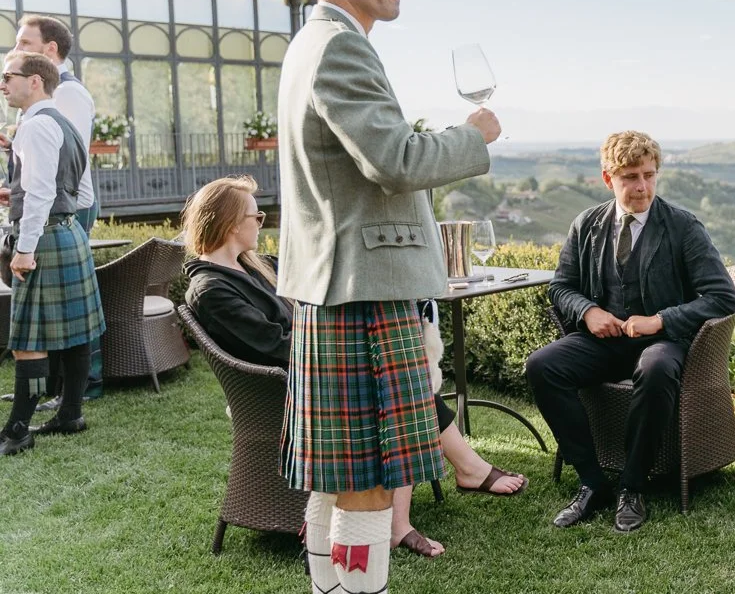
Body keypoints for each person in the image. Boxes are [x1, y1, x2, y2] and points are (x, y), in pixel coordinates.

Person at [277, 0, 501, 594]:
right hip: (363, 293)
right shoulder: (339, 46)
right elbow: (395, 158)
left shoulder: (314, 44)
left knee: (335, 482)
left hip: (332, 287)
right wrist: (470, 137)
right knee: (369, 477)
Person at [182, 176, 526, 559]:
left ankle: (451, 481)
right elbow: (277, 347)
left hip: (308, 372)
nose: (260, 223)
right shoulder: (211, 289)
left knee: (402, 375)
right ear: (232, 223)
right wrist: (345, 352)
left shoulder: (257, 266)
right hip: (286, 392)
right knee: (400, 384)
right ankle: (427, 502)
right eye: (256, 215)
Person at [526, 130, 735, 533]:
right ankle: (592, 481)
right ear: (608, 179)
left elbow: (724, 297)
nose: (642, 187)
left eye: (648, 175)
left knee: (657, 368)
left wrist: (661, 320)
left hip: (662, 342)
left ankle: (632, 486)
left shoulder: (683, 227)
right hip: (601, 342)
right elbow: (561, 286)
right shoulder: (586, 224)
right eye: (630, 177)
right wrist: (587, 311)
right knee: (542, 366)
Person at [0, 52, 104, 455]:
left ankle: (18, 429)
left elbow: (43, 192)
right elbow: (77, 192)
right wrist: (18, 193)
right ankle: (70, 414)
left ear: (36, 82)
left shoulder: (36, 126)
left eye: (9, 77)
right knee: (76, 335)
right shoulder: (62, 123)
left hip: (43, 240)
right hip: (67, 233)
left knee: (30, 340)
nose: (4, 85)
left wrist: (24, 249)